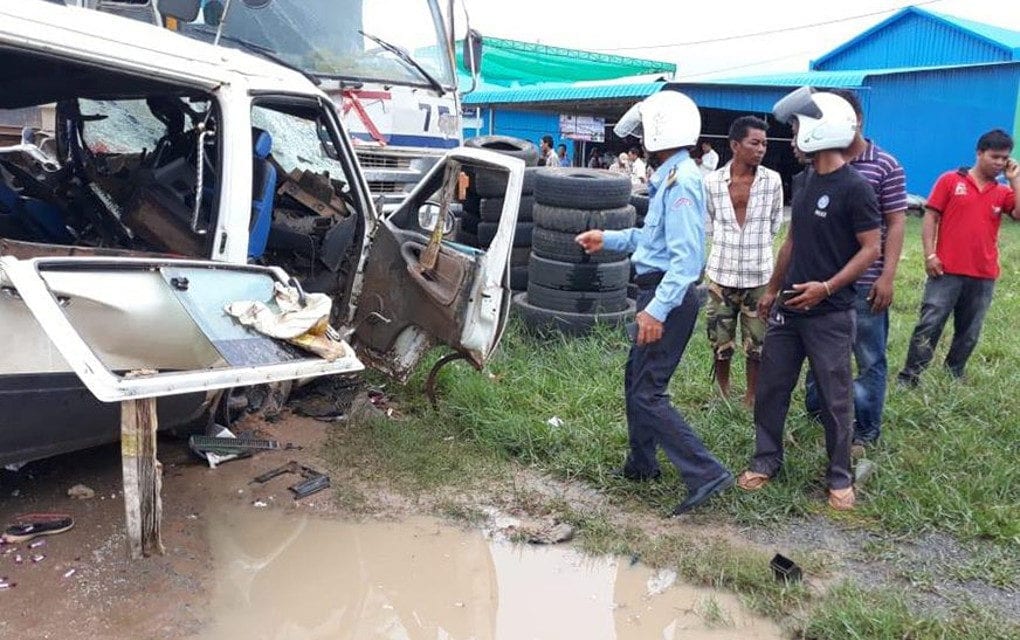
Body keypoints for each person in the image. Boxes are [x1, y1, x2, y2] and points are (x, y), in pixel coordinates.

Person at [575, 90, 733, 517]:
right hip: (657, 290)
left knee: (649, 393)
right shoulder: (669, 176)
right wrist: (606, 239)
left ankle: (705, 471)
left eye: (647, 130)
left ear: (664, 130)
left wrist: (655, 311)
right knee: (636, 380)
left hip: (668, 295)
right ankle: (641, 465)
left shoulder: (682, 186)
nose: (642, 137)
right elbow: (651, 239)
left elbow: (685, 262)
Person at [735, 87, 881, 511]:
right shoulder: (804, 180)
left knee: (836, 398)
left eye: (799, 127)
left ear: (821, 129)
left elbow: (871, 248)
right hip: (789, 309)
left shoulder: (855, 187)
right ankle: (766, 458)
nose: (794, 136)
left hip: (830, 313)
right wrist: (774, 289)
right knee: (772, 387)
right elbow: (793, 240)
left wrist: (828, 288)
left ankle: (839, 476)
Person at [803, 90, 907, 449]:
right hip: (818, 279)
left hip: (864, 282)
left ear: (854, 121)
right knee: (820, 352)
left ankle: (864, 429)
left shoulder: (885, 165)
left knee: (868, 357)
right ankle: (818, 414)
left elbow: (894, 223)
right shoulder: (818, 163)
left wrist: (887, 275)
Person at [897, 130, 1019, 385]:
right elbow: (931, 216)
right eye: (994, 156)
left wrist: (1014, 181)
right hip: (946, 270)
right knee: (929, 324)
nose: (999, 163)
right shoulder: (951, 180)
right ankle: (910, 377)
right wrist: (930, 254)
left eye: (1004, 158)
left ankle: (953, 374)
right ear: (979, 153)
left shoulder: (1002, 192)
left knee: (969, 332)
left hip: (983, 274)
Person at [703, 116, 784, 407]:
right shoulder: (711, 182)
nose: (761, 149)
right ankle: (722, 392)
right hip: (720, 276)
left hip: (758, 277)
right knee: (719, 339)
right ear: (735, 145)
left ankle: (751, 397)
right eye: (755, 142)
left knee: (758, 344)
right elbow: (709, 221)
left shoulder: (772, 181)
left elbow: (776, 223)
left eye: (764, 143)